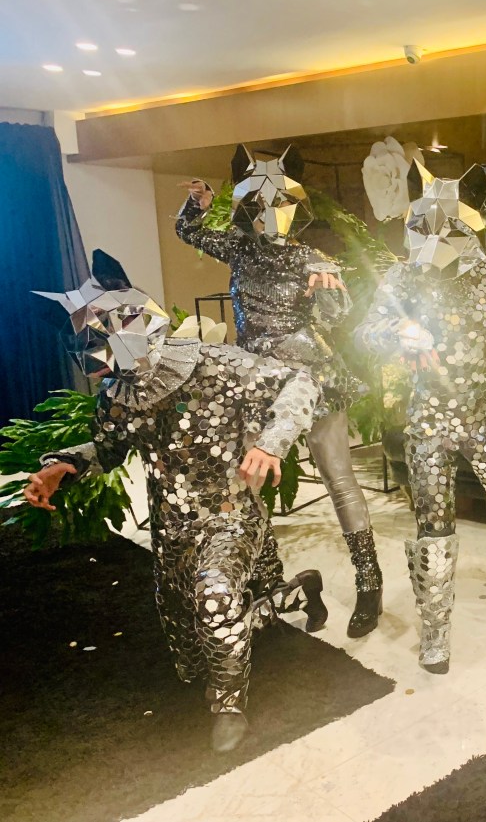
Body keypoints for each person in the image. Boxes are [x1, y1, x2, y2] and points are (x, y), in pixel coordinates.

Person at [24, 252, 321, 752]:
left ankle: (228, 703)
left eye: (96, 344)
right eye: (84, 349)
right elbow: (109, 449)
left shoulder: (216, 365)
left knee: (216, 599)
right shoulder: (117, 394)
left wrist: (272, 442)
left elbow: (300, 380)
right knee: (191, 644)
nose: (91, 363)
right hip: (171, 529)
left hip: (230, 516)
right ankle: (296, 592)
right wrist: (65, 466)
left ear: (131, 325)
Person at [176, 144, 383, 638]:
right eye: (258, 204)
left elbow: (339, 319)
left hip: (312, 378)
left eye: (279, 204)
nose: (268, 213)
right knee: (245, 485)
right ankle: (267, 580)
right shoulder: (239, 249)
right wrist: (199, 204)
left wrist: (325, 293)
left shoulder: (312, 258)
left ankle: (369, 583)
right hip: (255, 381)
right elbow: (188, 231)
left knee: (338, 478)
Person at [356, 161, 486, 674]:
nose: (435, 238)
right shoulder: (403, 276)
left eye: (448, 227)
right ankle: (435, 627)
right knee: (432, 523)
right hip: (428, 420)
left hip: (484, 414)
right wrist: (400, 334)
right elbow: (366, 332)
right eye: (424, 227)